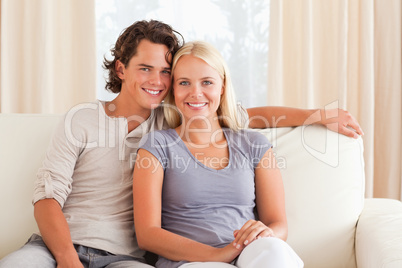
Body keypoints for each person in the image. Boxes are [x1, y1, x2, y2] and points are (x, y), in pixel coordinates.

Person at [0, 19, 359, 268]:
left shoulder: (170, 118)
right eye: (145, 69)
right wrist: (65, 256)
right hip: (56, 247)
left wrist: (315, 115)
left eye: (166, 72)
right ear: (121, 70)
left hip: (125, 257)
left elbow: (238, 114)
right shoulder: (81, 119)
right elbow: (47, 196)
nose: (157, 81)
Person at [133, 41, 304, 268]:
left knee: (274, 249)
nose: (196, 93)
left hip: (249, 252)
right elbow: (147, 234)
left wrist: (265, 232)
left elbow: (278, 224)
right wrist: (219, 255)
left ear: (222, 86)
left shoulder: (253, 144)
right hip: (192, 261)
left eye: (207, 82)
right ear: (173, 89)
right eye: (184, 82)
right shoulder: (158, 145)